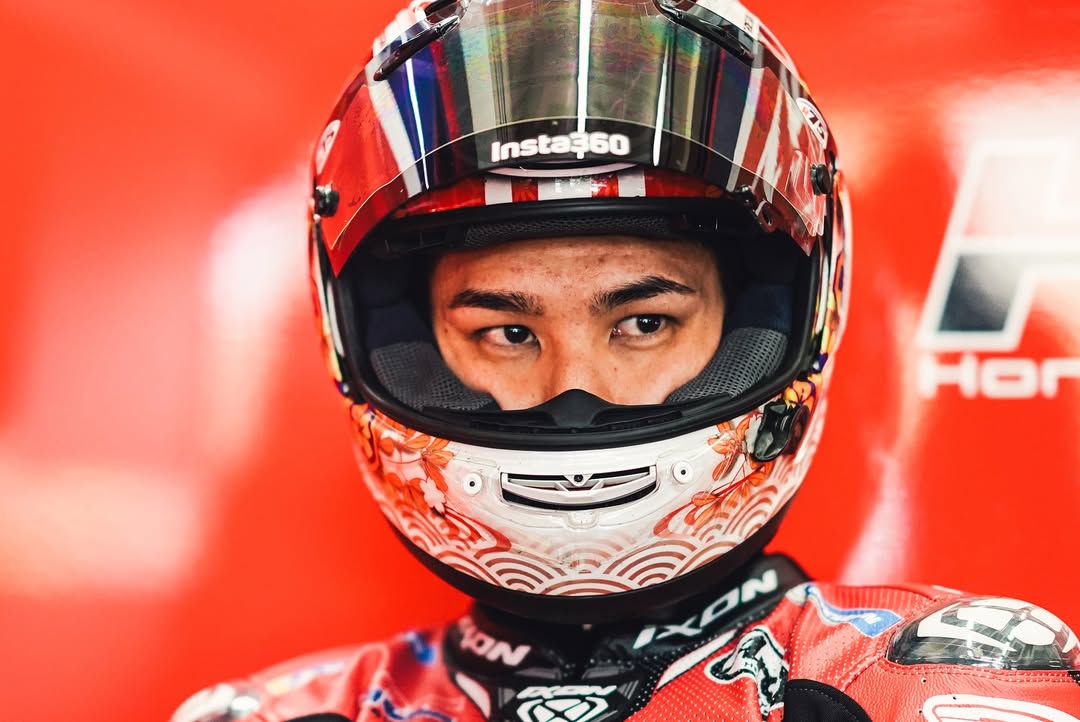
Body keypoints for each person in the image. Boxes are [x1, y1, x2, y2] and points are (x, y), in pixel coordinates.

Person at [173, 1, 1080, 720]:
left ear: (767, 322)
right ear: (400, 344)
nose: (577, 395)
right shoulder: (278, 713)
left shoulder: (935, 686)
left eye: (643, 322)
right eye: (508, 333)